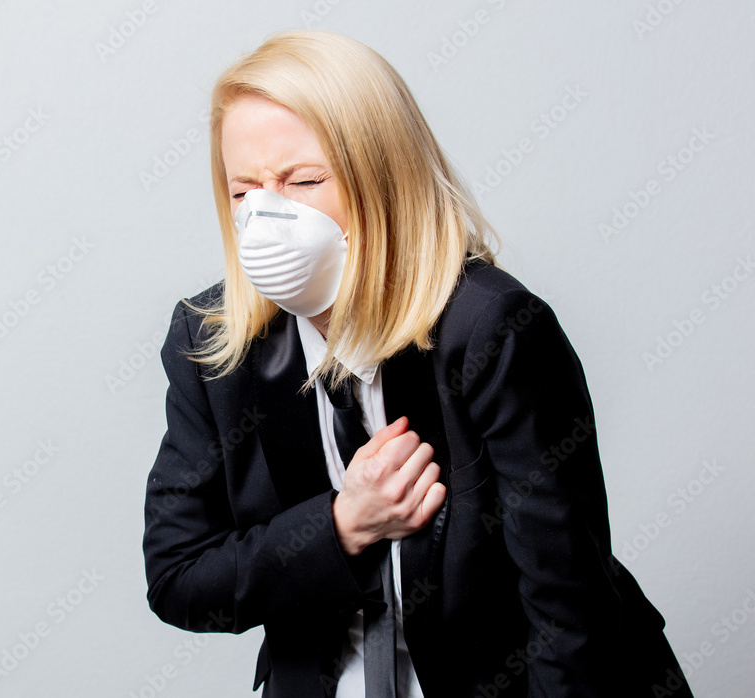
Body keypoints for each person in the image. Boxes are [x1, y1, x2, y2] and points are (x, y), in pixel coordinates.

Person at [142, 30, 693, 698]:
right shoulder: (213, 342)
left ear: (384, 179)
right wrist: (343, 524)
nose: (265, 217)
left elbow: (569, 611)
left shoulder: (492, 331)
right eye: (243, 192)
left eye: (304, 181)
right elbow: (179, 579)